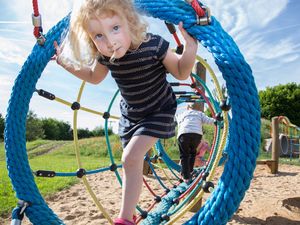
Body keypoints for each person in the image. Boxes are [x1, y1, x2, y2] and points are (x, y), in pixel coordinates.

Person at [53, 0, 198, 224]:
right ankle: (128, 213)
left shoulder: (155, 45)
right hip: (131, 117)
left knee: (130, 158)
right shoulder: (105, 57)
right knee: (130, 162)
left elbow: (180, 71)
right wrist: (65, 63)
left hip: (159, 110)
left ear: (129, 21)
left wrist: (190, 48)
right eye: (98, 36)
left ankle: (124, 219)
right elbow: (93, 77)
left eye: (115, 28)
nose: (110, 42)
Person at [177, 103, 214, 183]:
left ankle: (186, 177)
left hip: (184, 134)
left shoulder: (184, 113)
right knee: (192, 153)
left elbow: (178, 120)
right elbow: (209, 121)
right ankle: (189, 171)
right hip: (196, 135)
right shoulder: (200, 113)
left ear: (188, 108)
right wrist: (217, 121)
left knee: (184, 155)